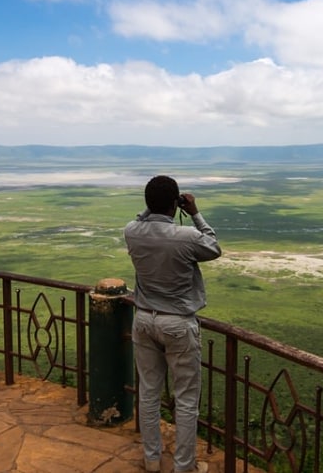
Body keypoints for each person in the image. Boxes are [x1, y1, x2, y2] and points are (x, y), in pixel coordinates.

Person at [124, 175, 222, 473]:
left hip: (143, 319)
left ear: (146, 203)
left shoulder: (132, 232)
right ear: (175, 203)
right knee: (186, 399)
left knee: (149, 392)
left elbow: (141, 220)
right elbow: (213, 246)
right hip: (178, 323)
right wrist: (194, 212)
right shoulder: (187, 237)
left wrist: (151, 209)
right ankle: (184, 466)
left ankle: (152, 460)